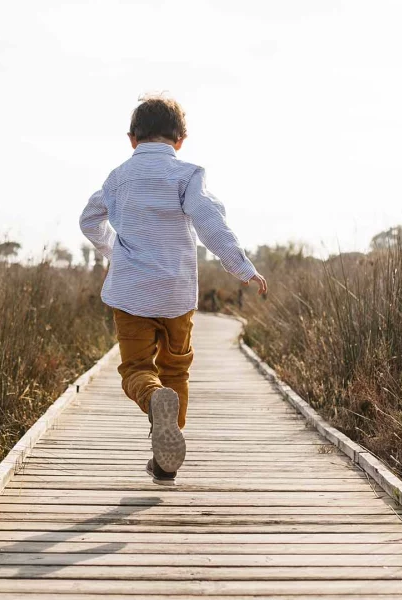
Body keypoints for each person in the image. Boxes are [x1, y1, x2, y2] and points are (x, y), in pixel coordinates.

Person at [79, 95, 267, 483]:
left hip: (130, 293)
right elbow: (209, 222)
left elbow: (89, 219)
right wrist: (242, 267)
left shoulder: (117, 178)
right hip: (177, 294)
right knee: (176, 368)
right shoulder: (188, 175)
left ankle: (151, 398)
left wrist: (112, 248)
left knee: (135, 368)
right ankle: (166, 460)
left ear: (132, 139)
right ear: (180, 140)